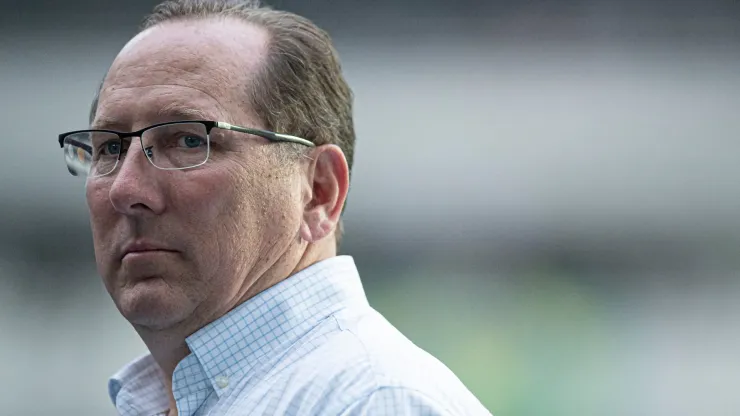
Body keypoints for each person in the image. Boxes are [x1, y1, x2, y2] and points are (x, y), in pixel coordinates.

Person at [57, 0, 491, 415]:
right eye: (109, 148)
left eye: (190, 140)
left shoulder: (373, 402)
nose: (125, 189)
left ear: (319, 191)